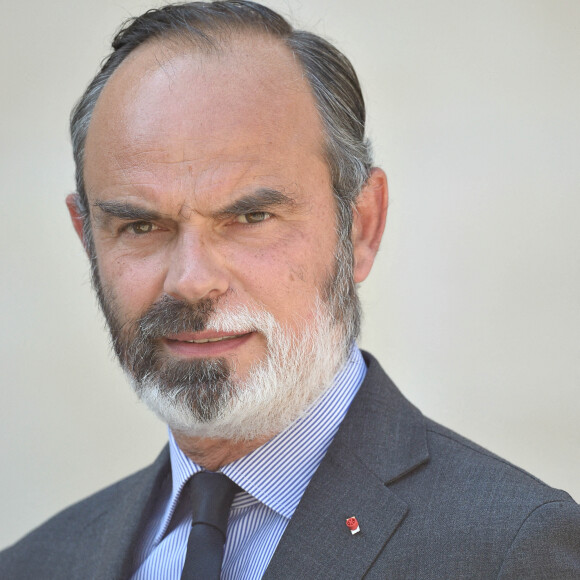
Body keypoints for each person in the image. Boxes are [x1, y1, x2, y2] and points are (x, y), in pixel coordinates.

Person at [1, 1, 579, 578]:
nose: (191, 280)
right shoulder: (35, 565)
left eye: (250, 218)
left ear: (361, 227)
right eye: (142, 226)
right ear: (88, 240)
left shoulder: (511, 551)